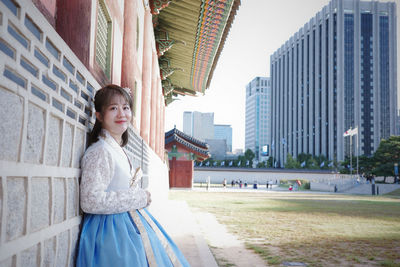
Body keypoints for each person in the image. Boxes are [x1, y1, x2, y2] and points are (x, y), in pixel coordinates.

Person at [76, 85, 189, 267]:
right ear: (99, 115)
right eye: (113, 108)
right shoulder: (100, 151)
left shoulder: (115, 148)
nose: (122, 114)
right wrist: (139, 197)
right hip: (109, 232)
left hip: (123, 225)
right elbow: (90, 200)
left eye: (126, 107)